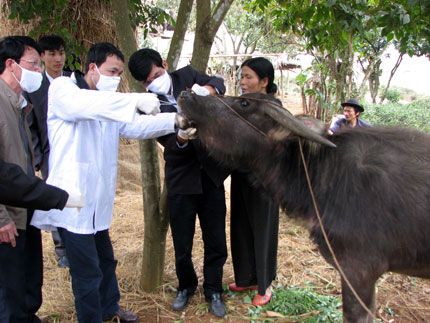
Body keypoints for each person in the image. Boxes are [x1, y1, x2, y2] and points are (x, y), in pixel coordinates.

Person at [31, 42, 183, 323]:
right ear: (92, 67)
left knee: (105, 260)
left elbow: (135, 126)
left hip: (96, 203)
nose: (116, 78)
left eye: (119, 73)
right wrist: (133, 100)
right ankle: (91, 318)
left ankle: (110, 309)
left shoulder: (108, 103)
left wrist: (175, 119)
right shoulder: (65, 89)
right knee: (86, 270)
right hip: (72, 202)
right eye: (112, 71)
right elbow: (83, 106)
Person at [128, 48, 230, 318]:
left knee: (216, 238)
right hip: (181, 181)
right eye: (147, 82)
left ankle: (214, 289)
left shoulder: (186, 75)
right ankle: (186, 286)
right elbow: (168, 147)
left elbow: (219, 83)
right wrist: (182, 138)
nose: (153, 83)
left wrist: (206, 90)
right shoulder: (150, 104)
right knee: (182, 242)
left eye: (156, 75)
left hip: (210, 176)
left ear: (164, 64)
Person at [0, 35, 49, 323]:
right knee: (10, 287)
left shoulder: (20, 104)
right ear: (11, 64)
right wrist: (1, 217)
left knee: (31, 277)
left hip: (25, 207)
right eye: (34, 64)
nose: (39, 72)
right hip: (7, 214)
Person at [228, 57, 280, 306]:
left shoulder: (274, 108)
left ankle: (265, 284)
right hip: (241, 175)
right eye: (241, 77)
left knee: (263, 229)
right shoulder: (241, 104)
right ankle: (246, 277)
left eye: (248, 77)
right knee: (240, 226)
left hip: (265, 180)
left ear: (264, 81)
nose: (243, 82)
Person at [25, 34, 72, 268]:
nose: (58, 59)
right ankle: (61, 247)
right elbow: (31, 125)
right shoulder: (35, 87)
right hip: (49, 154)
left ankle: (77, 241)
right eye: (52, 54)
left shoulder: (75, 82)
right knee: (54, 198)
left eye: (61, 53)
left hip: (74, 151)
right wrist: (38, 159)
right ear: (42, 56)